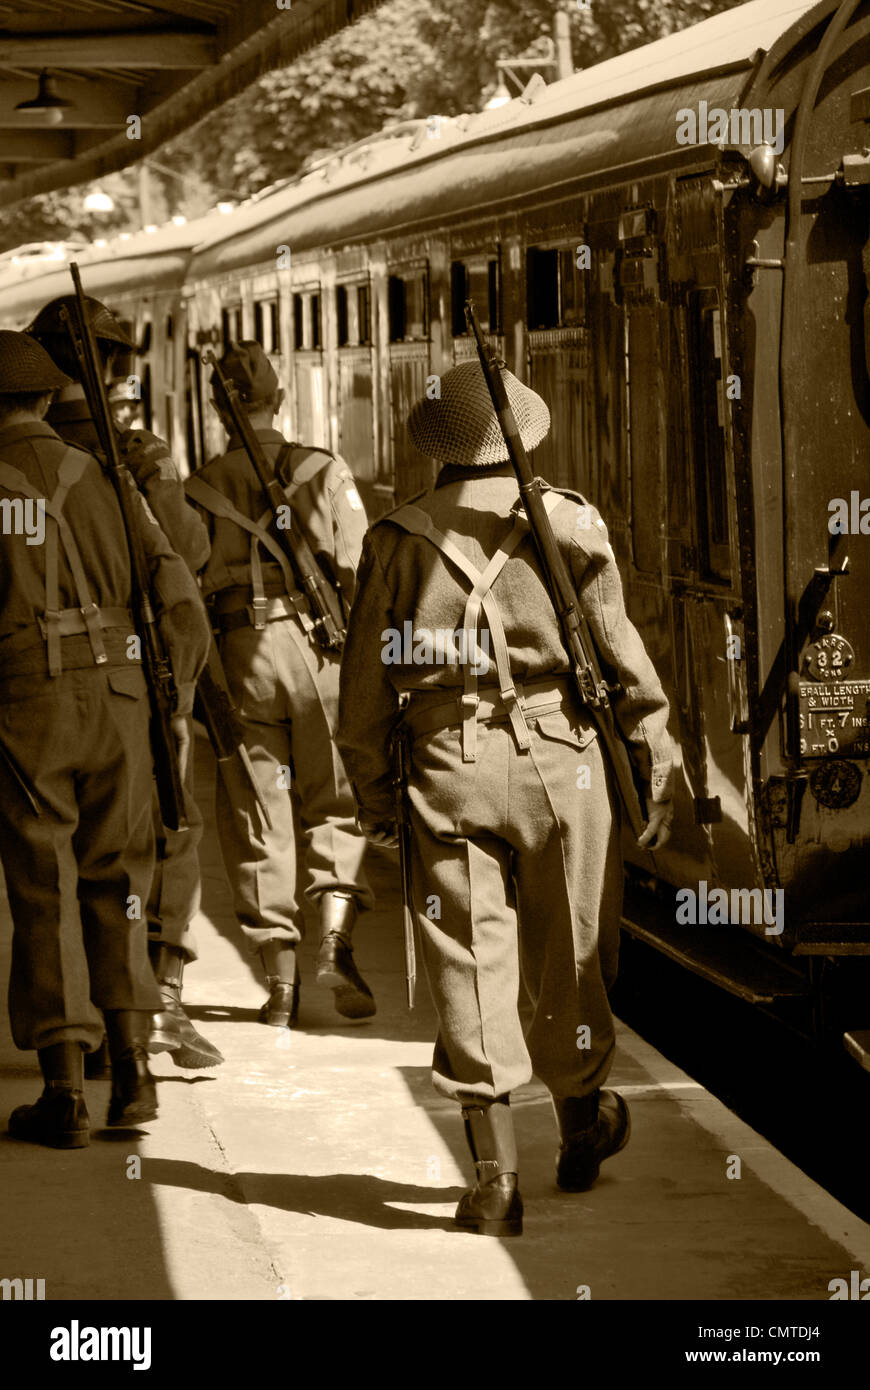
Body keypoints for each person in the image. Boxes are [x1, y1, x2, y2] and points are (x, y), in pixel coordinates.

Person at [337, 360, 674, 1236]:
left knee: (466, 960)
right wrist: (654, 752)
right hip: (567, 758)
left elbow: (366, 690)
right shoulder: (570, 520)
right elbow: (619, 653)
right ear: (522, 434)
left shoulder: (395, 539)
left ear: (438, 450)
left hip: (445, 759)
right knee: (574, 948)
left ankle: (494, 1184)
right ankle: (581, 1128)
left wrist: (375, 797)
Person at [0, 330, 211, 1147]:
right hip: (121, 694)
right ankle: (133, 1075)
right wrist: (164, 705)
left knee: (43, 883)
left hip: (28, 701)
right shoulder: (110, 477)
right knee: (120, 877)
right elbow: (179, 591)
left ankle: (65, 1090)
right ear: (51, 398)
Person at [185, 341, 375, 1027]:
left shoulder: (199, 487)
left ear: (216, 408)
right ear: (280, 399)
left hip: (241, 654)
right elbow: (361, 568)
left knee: (257, 812)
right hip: (321, 654)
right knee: (336, 801)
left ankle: (282, 982)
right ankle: (335, 935)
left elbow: (179, 589)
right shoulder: (323, 471)